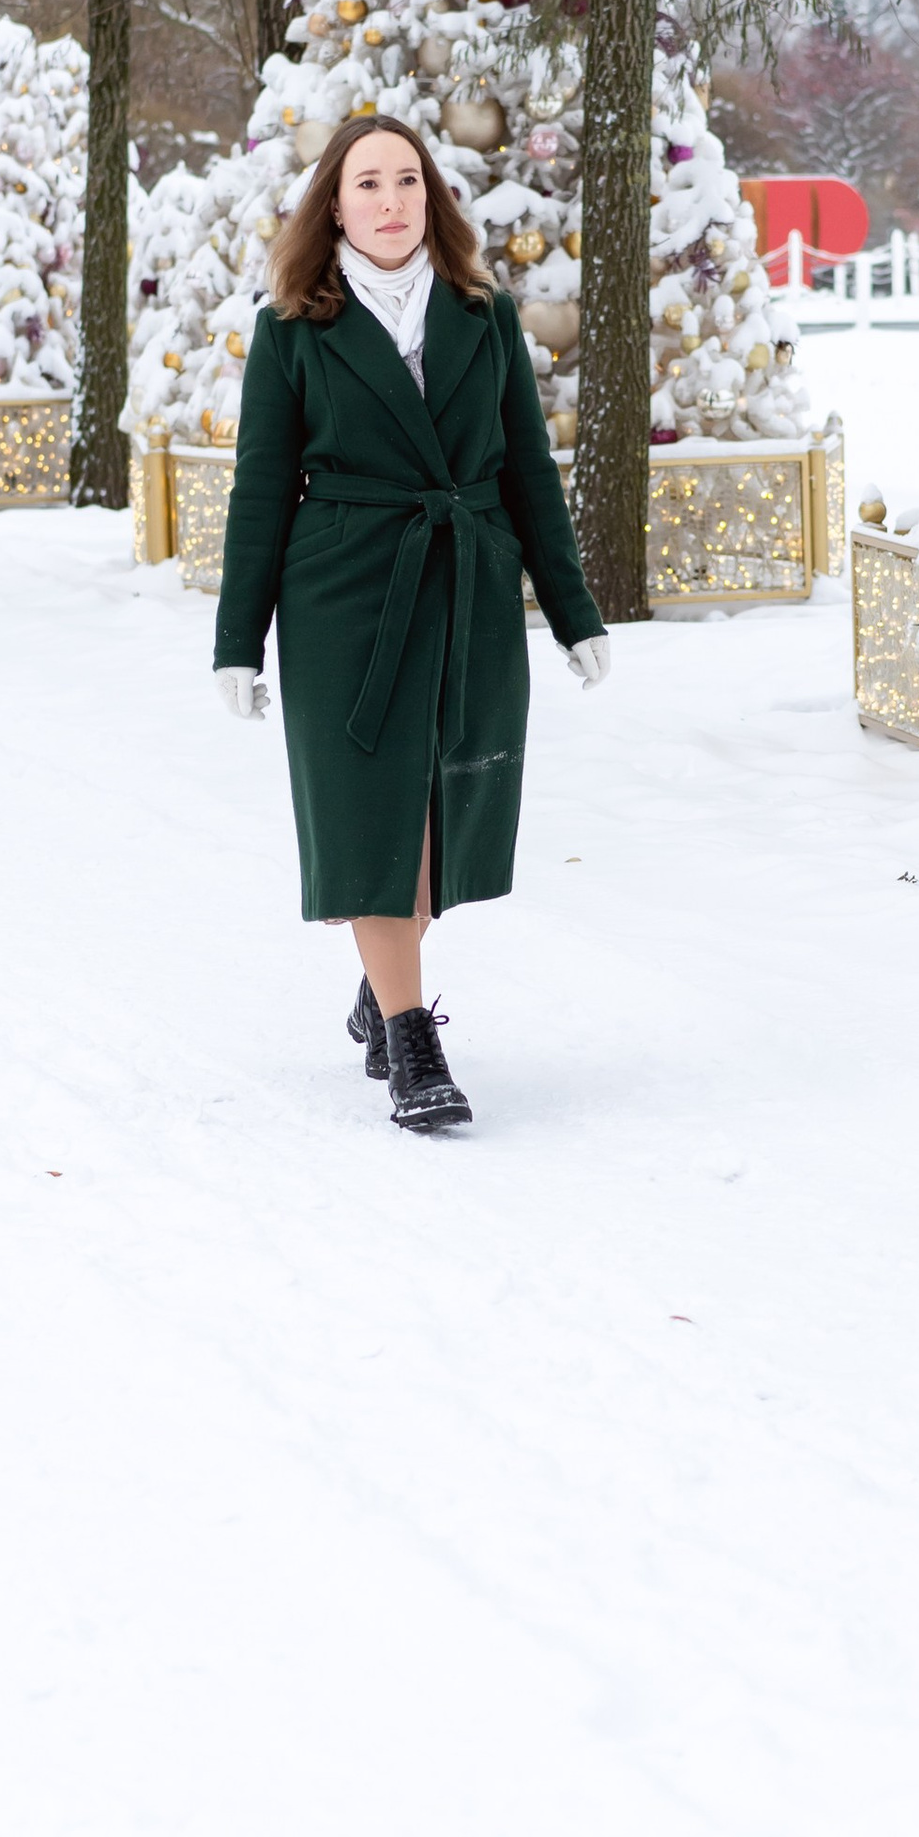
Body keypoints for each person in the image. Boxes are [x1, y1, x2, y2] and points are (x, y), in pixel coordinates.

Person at [213, 112, 610, 1131]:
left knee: (439, 816)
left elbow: (528, 471)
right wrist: (237, 641)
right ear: (334, 205)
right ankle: (411, 1038)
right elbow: (261, 489)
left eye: (406, 181)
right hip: (343, 597)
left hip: (468, 583)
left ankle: (378, 981)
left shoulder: (484, 315)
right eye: (367, 184)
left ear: (430, 196)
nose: (390, 202)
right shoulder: (292, 328)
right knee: (371, 815)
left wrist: (572, 613)